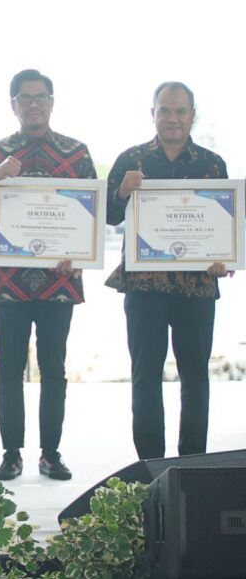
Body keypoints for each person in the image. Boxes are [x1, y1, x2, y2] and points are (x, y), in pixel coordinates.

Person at [0, 69, 95, 481]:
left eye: (41, 97)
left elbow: (94, 211)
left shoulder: (76, 152)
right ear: (13, 105)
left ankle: (51, 453)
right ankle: (11, 453)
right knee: (9, 370)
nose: (34, 104)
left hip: (60, 281)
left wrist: (80, 253)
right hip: (11, 282)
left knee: (55, 370)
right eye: (25, 98)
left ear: (52, 102)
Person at [106, 81, 230, 460]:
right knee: (145, 377)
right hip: (145, 287)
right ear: (153, 114)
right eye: (165, 110)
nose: (173, 118)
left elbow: (225, 223)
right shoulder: (131, 159)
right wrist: (123, 192)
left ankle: (192, 463)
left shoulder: (212, 164)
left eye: (180, 111)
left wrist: (225, 257)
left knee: (195, 378)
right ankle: (150, 465)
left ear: (192, 115)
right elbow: (108, 218)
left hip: (197, 287)